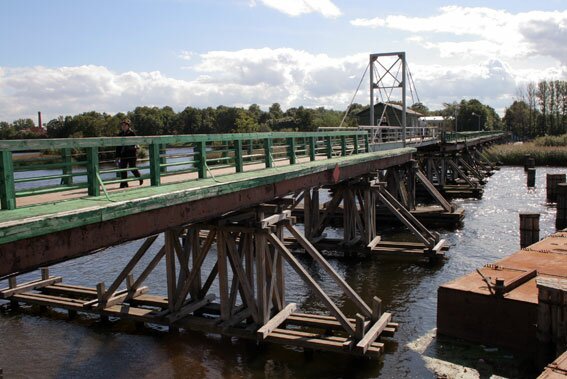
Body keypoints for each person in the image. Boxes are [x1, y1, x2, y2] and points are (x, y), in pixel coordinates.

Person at [115, 118, 143, 188]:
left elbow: (136, 142)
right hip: (123, 154)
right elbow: (118, 147)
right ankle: (124, 183)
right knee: (123, 169)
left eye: (125, 125)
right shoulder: (120, 134)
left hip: (131, 154)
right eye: (122, 125)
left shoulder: (131, 133)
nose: (123, 126)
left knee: (132, 167)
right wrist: (117, 156)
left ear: (128, 126)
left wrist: (136, 147)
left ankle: (139, 177)